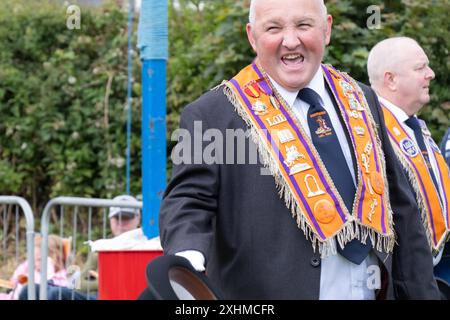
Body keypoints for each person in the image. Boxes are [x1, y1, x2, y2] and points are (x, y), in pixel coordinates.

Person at [159, 0, 440, 299]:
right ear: (252, 36)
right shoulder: (213, 114)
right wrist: (187, 259)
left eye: (304, 25)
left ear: (327, 29)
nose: (290, 41)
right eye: (274, 28)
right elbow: (189, 200)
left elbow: (401, 209)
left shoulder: (362, 99)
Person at [367, 37, 450, 283]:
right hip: (401, 277)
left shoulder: (412, 126)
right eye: (420, 68)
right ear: (391, 79)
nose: (431, 74)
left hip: (433, 270)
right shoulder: (370, 131)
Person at [18, 194, 141, 300]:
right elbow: (79, 283)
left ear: (137, 219)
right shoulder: (101, 247)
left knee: (56, 294)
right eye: (117, 218)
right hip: (92, 294)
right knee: (29, 289)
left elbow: (129, 285)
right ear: (110, 219)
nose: (121, 223)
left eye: (126, 218)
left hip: (114, 296)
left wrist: (103, 282)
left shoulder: (145, 247)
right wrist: (105, 281)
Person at [0, 234, 70, 300]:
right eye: (33, 259)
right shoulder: (29, 267)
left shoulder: (59, 276)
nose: (35, 263)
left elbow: (54, 291)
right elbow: (14, 280)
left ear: (55, 259)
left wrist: (48, 273)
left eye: (39, 259)